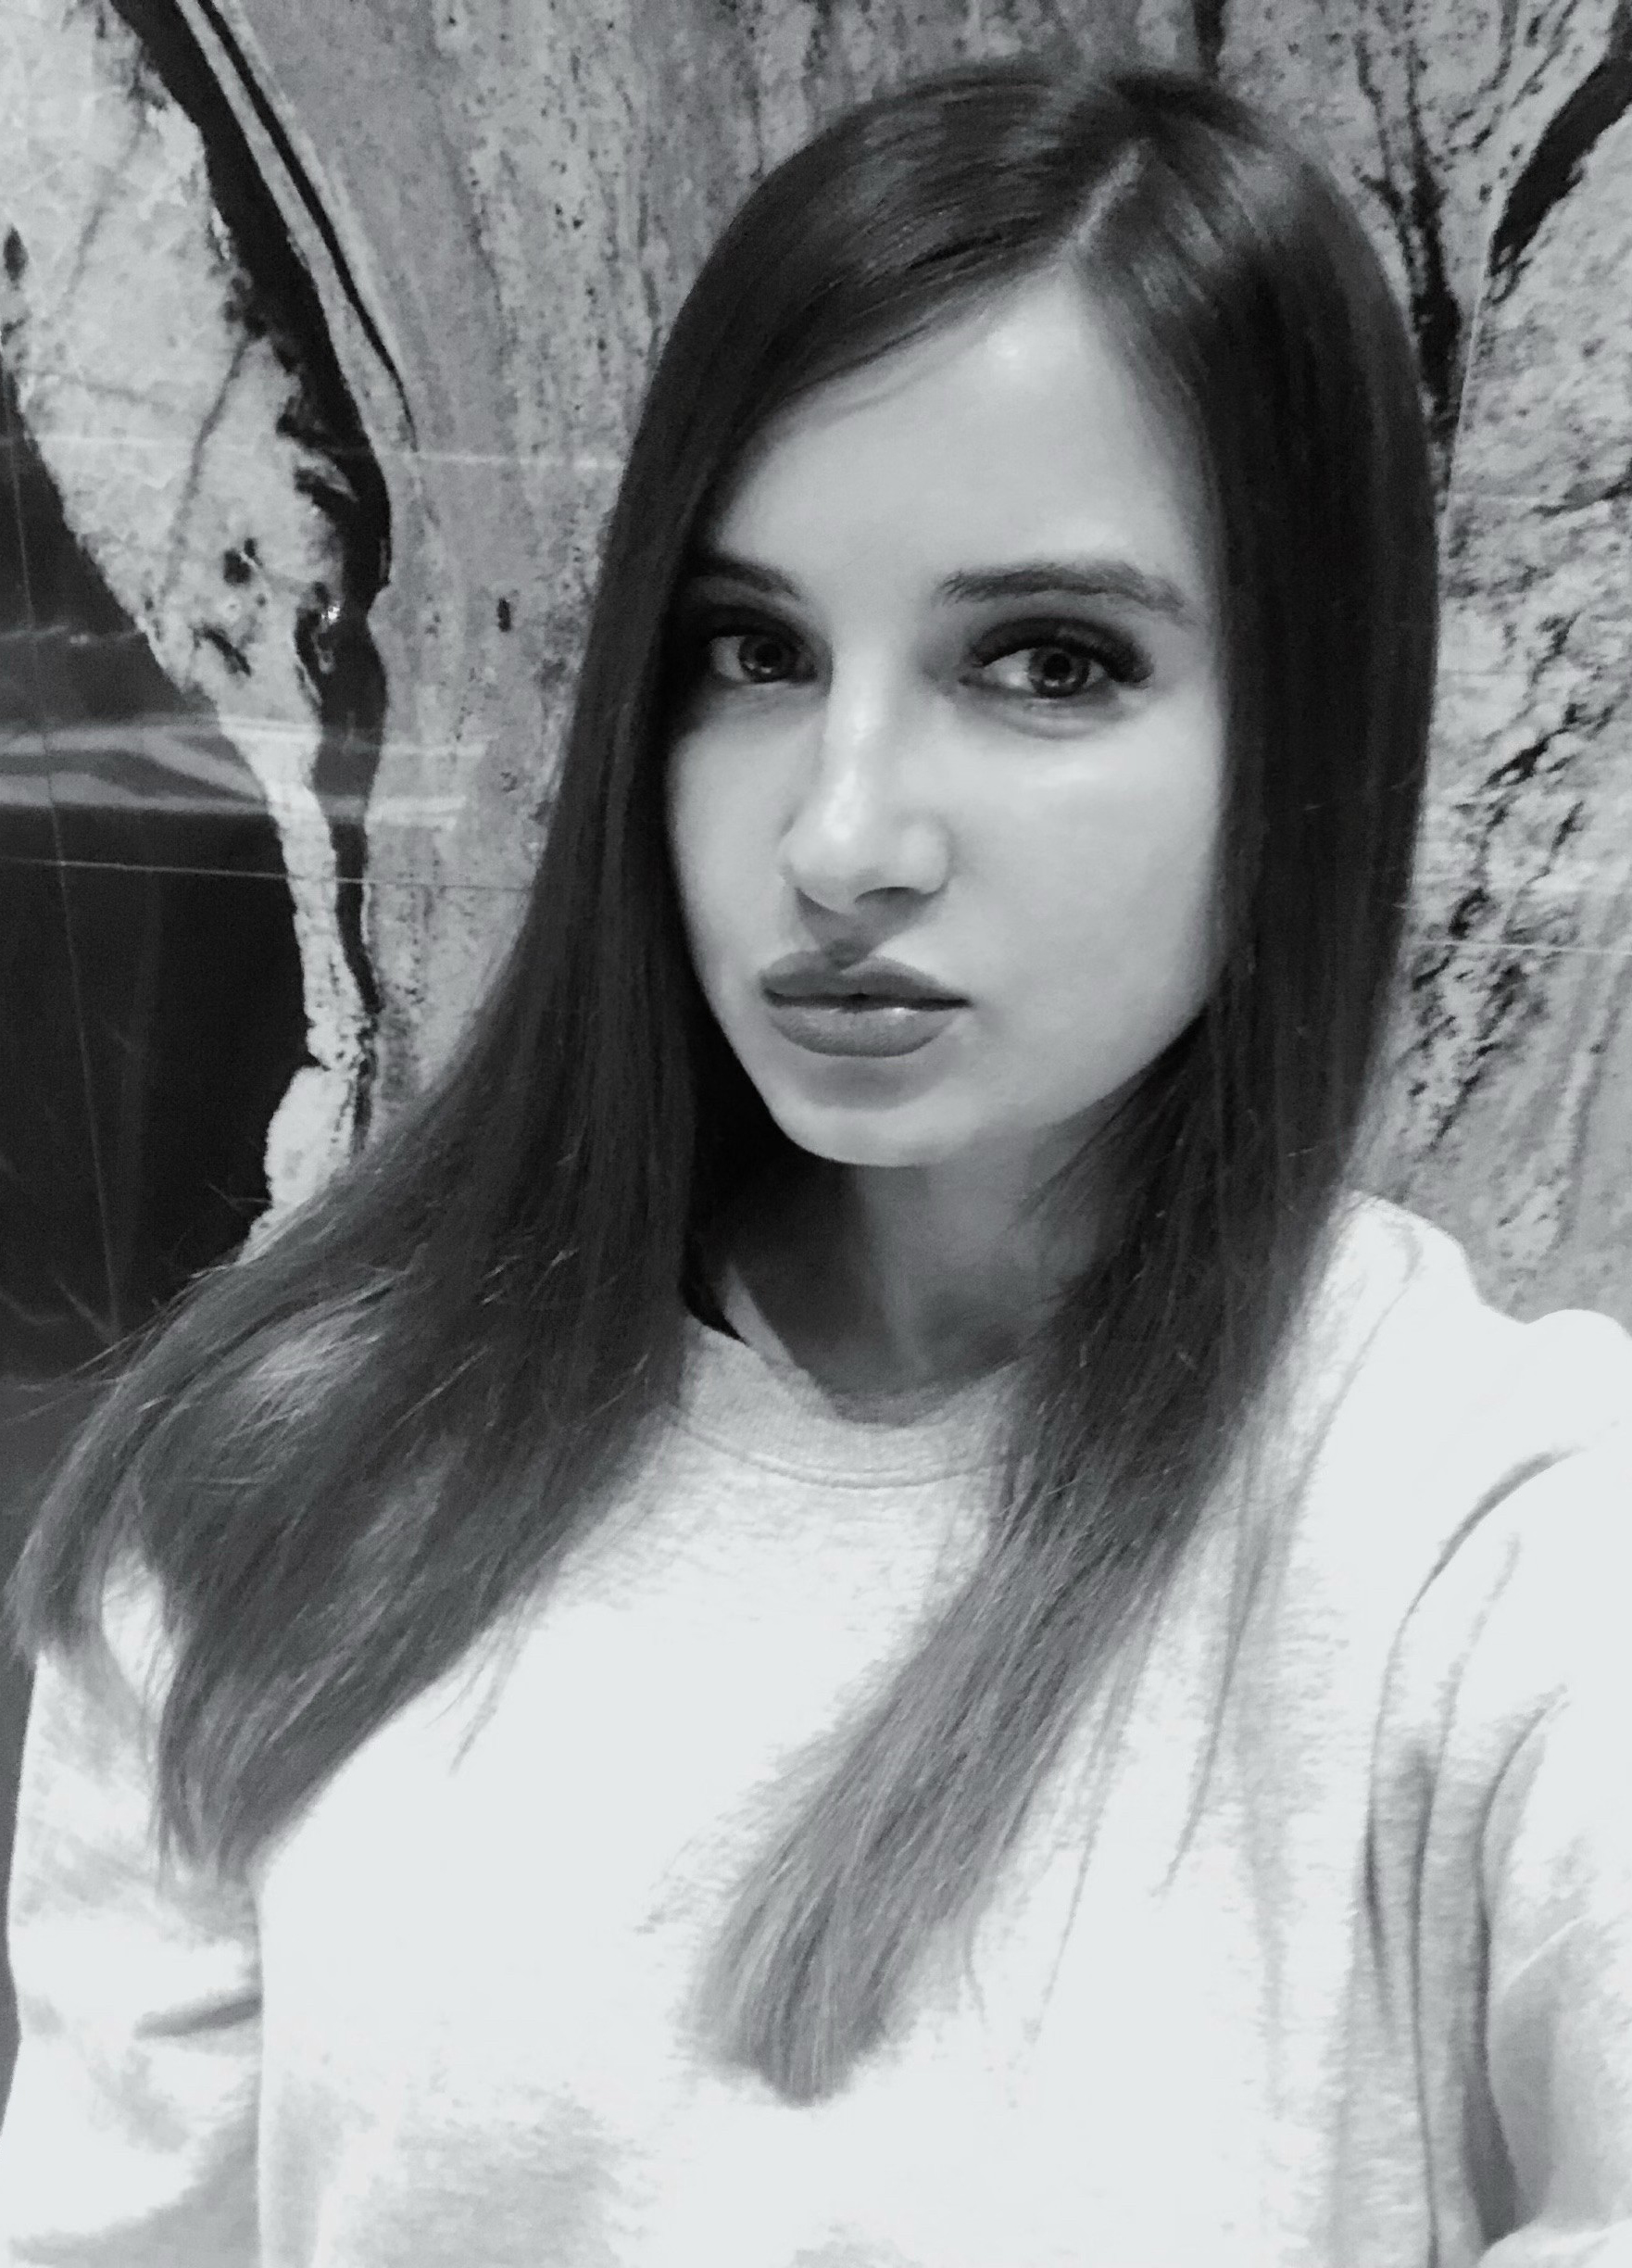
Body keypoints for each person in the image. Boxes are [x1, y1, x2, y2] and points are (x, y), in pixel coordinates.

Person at [3, 46, 1630, 2268]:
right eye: (749, 651)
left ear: (1300, 729)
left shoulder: (1496, 1553)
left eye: (1044, 662)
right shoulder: (281, 1490)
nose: (844, 835)